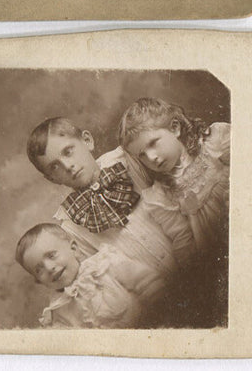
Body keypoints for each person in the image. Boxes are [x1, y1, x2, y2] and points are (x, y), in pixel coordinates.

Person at [27, 116, 192, 274]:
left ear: (87, 141)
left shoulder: (127, 160)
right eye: (54, 167)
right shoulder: (72, 225)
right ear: (51, 179)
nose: (68, 166)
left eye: (68, 152)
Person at [120, 98, 231, 259]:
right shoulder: (162, 196)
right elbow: (183, 240)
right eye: (142, 155)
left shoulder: (214, 143)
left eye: (153, 143)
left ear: (174, 129)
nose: (151, 157)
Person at [16, 222, 164, 329]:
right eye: (39, 269)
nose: (49, 268)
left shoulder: (105, 265)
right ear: (38, 281)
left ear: (74, 248)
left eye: (52, 255)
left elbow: (150, 283)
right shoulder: (58, 311)